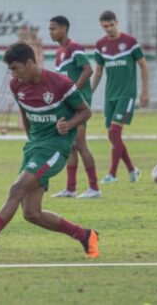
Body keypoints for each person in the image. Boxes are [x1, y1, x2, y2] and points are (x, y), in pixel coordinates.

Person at [0, 42, 99, 260]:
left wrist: (69, 125)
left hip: (55, 148)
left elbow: (86, 112)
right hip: (34, 148)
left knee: (17, 188)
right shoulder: (17, 86)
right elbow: (25, 113)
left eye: (16, 68)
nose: (13, 75)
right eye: (11, 70)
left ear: (30, 63)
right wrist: (32, 140)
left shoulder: (61, 84)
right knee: (31, 213)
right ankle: (85, 235)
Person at [92, 10, 149, 183]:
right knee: (112, 135)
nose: (109, 29)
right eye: (105, 26)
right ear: (102, 26)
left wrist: (145, 91)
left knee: (114, 131)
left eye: (111, 25)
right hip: (110, 96)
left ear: (116, 23)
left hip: (127, 94)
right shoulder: (100, 45)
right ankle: (132, 170)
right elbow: (98, 72)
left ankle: (112, 174)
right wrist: (89, 93)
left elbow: (143, 66)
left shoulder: (130, 42)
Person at [48, 16, 101, 199]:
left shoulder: (74, 48)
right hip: (68, 103)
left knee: (79, 143)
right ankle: (71, 189)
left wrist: (74, 91)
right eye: (49, 29)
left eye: (53, 28)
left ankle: (94, 188)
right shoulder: (58, 52)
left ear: (64, 28)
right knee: (70, 145)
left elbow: (88, 69)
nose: (50, 32)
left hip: (79, 104)